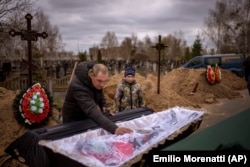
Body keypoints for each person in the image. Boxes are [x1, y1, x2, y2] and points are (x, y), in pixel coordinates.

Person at [62, 62, 132, 135]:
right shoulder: (78, 86)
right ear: (91, 75)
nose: (102, 85)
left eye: (105, 81)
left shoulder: (95, 82)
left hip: (86, 116)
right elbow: (91, 110)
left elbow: (99, 92)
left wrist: (104, 106)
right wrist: (114, 129)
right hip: (73, 120)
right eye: (99, 81)